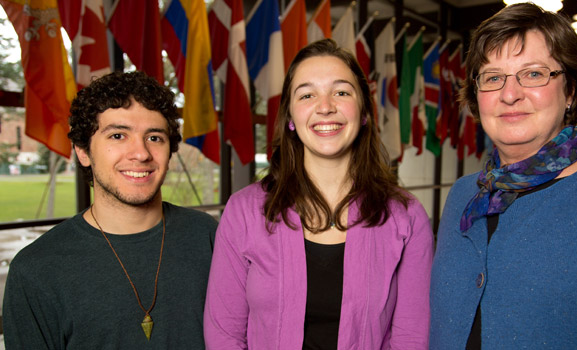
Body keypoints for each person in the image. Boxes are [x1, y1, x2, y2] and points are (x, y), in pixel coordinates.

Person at [429, 3, 577, 349]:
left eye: (533, 74)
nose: (510, 94)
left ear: (570, 90)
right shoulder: (463, 196)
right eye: (493, 78)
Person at [203, 39, 433, 349]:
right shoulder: (244, 212)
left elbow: (411, 337)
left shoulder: (407, 217)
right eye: (307, 95)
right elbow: (224, 335)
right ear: (290, 118)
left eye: (341, 92)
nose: (325, 107)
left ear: (364, 112)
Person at [2, 71, 218, 349]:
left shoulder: (209, 236)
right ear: (82, 151)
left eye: (154, 138)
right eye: (118, 135)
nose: (140, 153)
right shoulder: (35, 269)